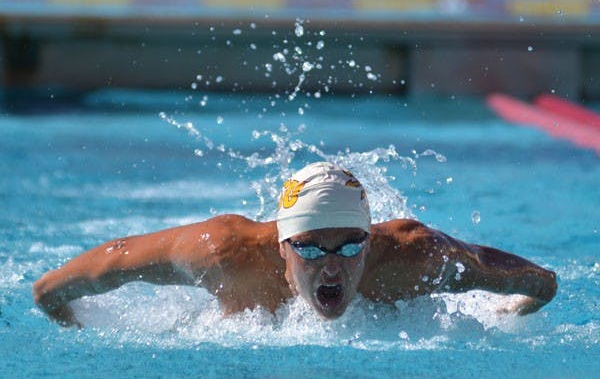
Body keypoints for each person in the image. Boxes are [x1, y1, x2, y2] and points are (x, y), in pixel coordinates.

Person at [33, 162, 557, 327]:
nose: (332, 268)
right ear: (281, 246)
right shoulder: (224, 255)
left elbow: (541, 283)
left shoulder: (414, 257)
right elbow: (105, 263)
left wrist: (514, 309)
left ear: (371, 242)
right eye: (309, 248)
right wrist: (66, 316)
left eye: (351, 247)